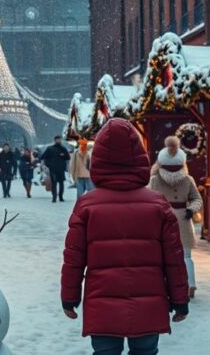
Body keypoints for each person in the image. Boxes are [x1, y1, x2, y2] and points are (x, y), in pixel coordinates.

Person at [61, 118, 188, 355]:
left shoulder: (87, 206)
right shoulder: (157, 204)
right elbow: (174, 257)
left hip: (102, 303)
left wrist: (69, 297)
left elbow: (74, 258)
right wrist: (179, 299)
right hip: (149, 303)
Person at [148, 136, 203, 299]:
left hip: (180, 220)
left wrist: (191, 210)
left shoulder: (187, 179)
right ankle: (169, 284)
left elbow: (196, 199)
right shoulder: (155, 180)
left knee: (185, 255)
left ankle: (190, 285)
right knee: (167, 255)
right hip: (164, 221)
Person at [41, 135, 71, 203]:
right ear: (54, 140)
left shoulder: (63, 148)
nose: (58, 141)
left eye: (59, 139)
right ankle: (54, 197)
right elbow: (44, 157)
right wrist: (49, 165)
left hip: (61, 169)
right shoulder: (50, 148)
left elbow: (68, 157)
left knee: (61, 183)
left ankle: (61, 197)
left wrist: (63, 155)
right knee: (54, 183)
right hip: (53, 169)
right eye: (57, 140)